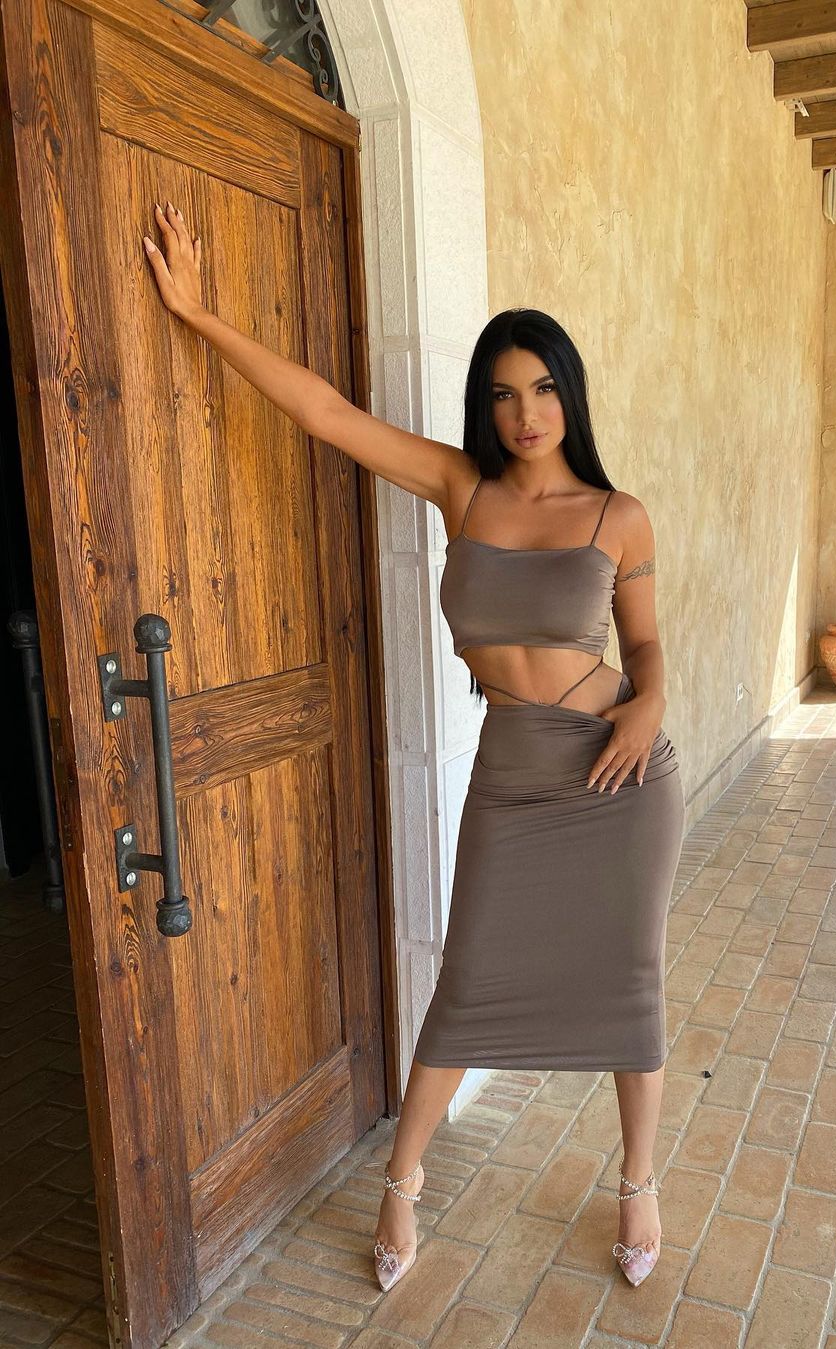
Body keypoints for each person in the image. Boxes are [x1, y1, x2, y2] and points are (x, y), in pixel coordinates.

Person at [142, 201, 685, 1294]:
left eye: (543, 388)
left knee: (628, 980)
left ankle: (638, 1181)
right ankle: (402, 1183)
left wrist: (651, 705)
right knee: (469, 978)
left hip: (616, 774)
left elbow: (646, 645)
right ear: (485, 406)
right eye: (504, 393)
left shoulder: (616, 514)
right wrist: (198, 315)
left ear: (571, 395)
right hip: (513, 770)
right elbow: (327, 414)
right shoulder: (461, 488)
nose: (526, 412)